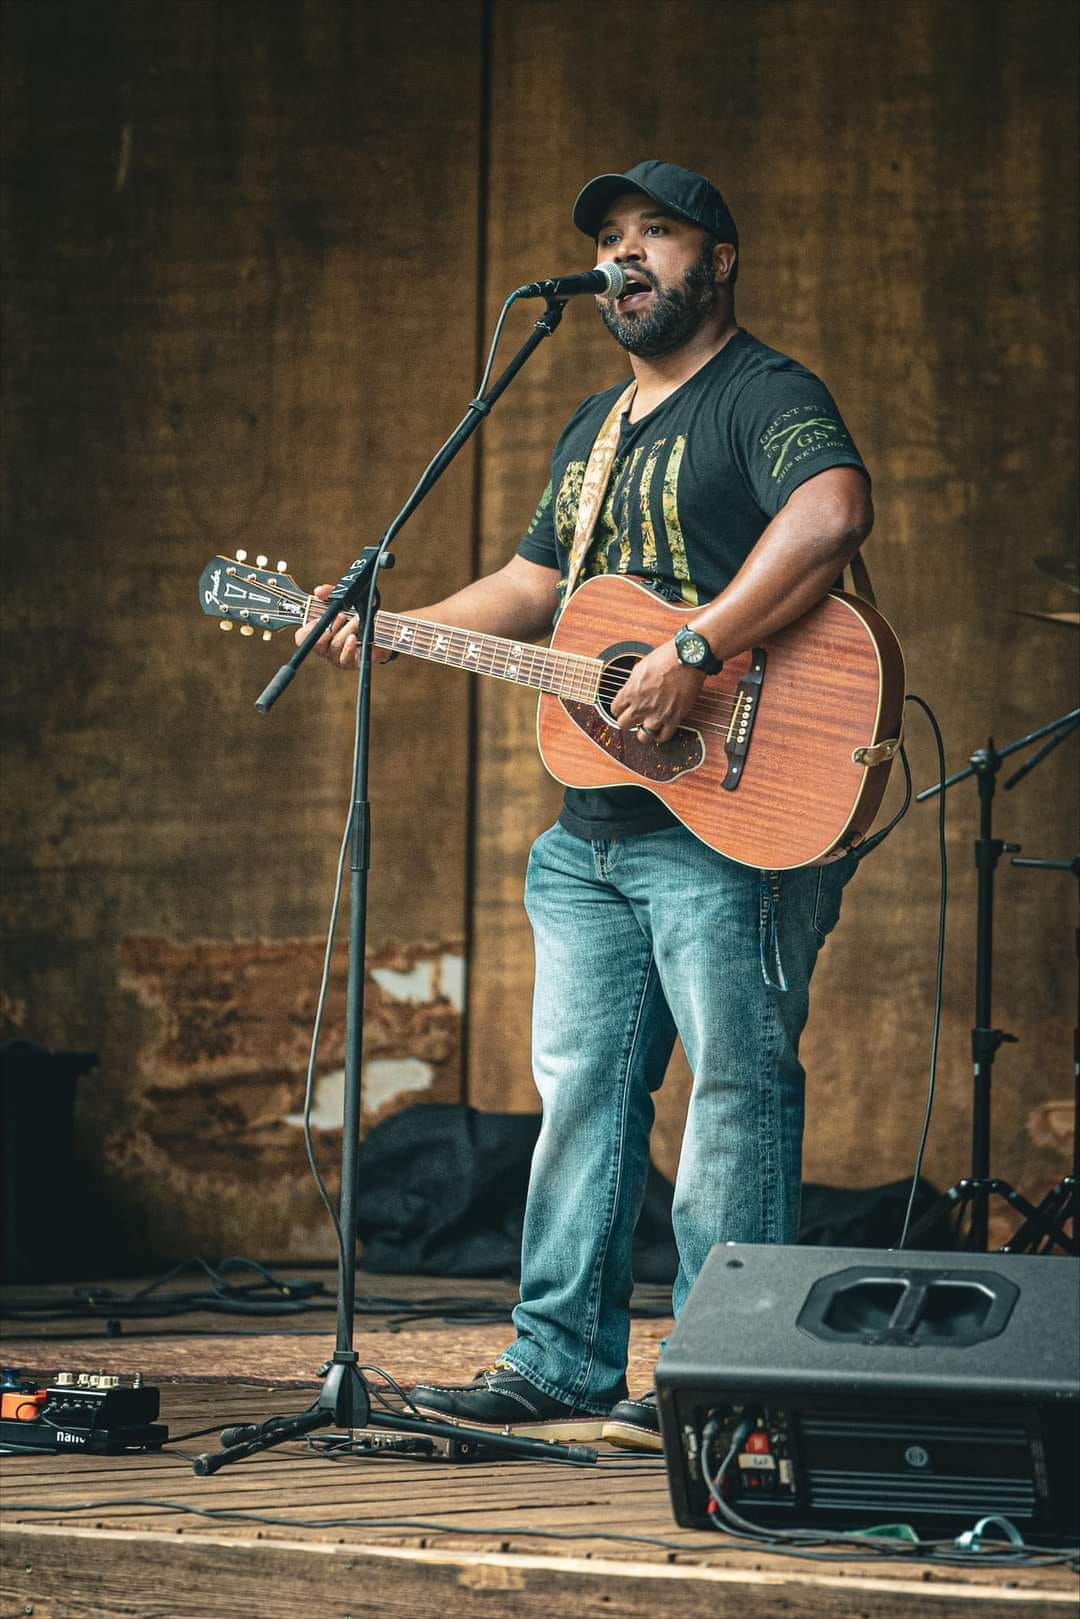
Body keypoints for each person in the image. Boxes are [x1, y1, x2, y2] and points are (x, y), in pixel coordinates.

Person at [304, 161, 873, 1451]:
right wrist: (395, 631)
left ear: (717, 259)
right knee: (581, 1093)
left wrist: (694, 650)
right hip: (596, 835)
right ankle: (562, 1363)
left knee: (735, 1090)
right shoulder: (592, 430)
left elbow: (834, 513)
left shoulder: (762, 394)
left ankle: (730, 1378)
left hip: (740, 815)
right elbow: (530, 588)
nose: (624, 257)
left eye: (654, 234)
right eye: (610, 239)